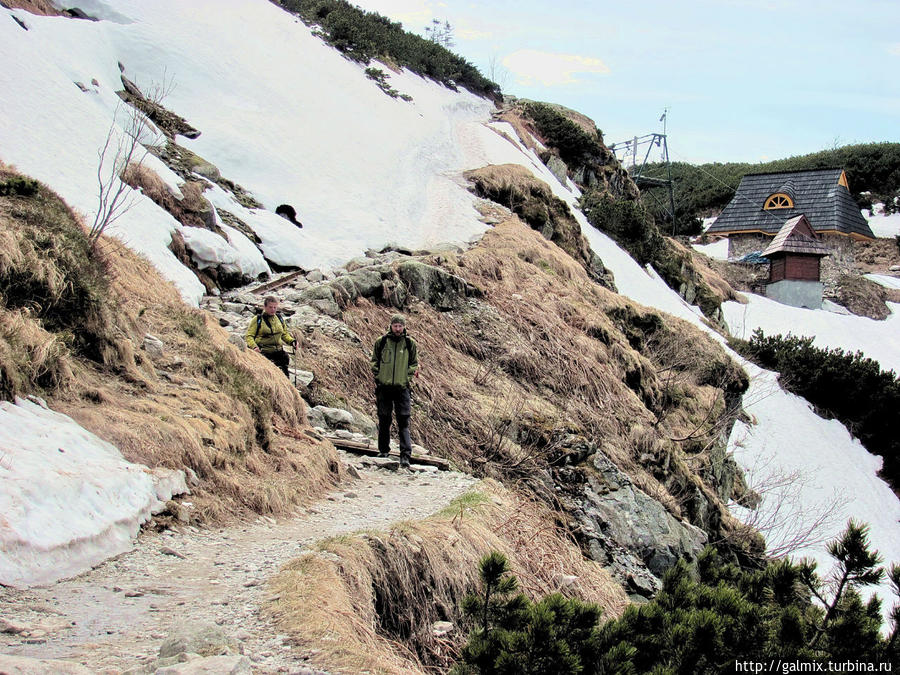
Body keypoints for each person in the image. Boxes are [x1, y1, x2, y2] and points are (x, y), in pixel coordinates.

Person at [370, 314, 418, 468]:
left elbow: (414, 364)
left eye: (400, 326)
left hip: (402, 388)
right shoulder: (382, 341)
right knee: (384, 419)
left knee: (403, 421)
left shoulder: (410, 343)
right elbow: (374, 361)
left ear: (404, 327)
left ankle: (405, 455)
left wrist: (406, 378)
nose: (397, 328)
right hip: (384, 387)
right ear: (391, 326)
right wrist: (379, 376)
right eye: (395, 325)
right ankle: (384, 450)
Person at [245, 296, 295, 377]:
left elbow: (284, 334)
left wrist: (292, 341)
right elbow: (249, 336)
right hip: (264, 352)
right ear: (265, 307)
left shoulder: (279, 318)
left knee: (285, 376)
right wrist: (254, 347)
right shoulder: (257, 319)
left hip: (279, 352)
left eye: (275, 307)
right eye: (270, 307)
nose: (273, 309)